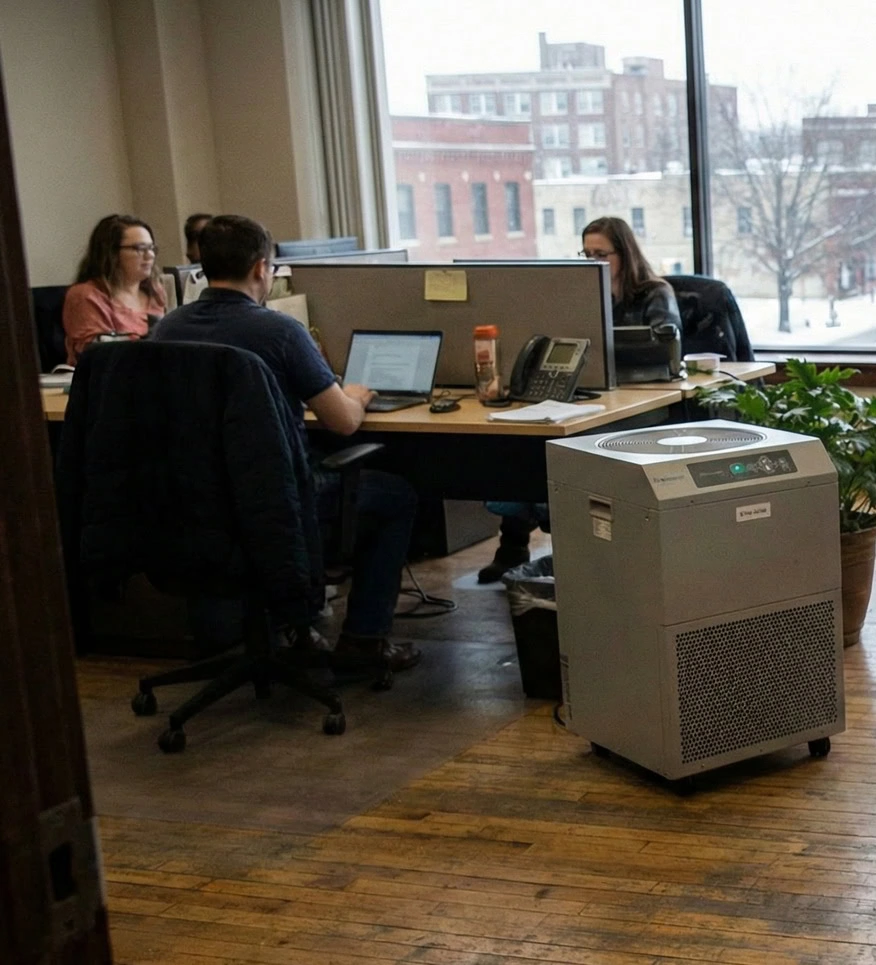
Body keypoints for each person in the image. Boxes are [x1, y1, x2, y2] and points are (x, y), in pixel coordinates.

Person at [150, 214, 422, 672]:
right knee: (396, 496)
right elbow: (341, 423)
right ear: (262, 269)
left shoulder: (167, 328)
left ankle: (292, 629)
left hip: (191, 500)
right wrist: (355, 395)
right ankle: (364, 640)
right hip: (273, 502)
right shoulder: (277, 331)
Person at [474, 215, 686, 583]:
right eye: (585, 254)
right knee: (523, 443)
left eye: (600, 254)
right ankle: (513, 546)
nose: (592, 263)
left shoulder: (654, 293)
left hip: (645, 402)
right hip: (589, 398)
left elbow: (662, 349)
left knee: (576, 448)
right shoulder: (579, 297)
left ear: (624, 254)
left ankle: (579, 552)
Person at [62, 214, 168, 365]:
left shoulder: (156, 292)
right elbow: (98, 355)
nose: (149, 255)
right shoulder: (86, 295)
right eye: (139, 248)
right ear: (111, 253)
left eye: (151, 248)